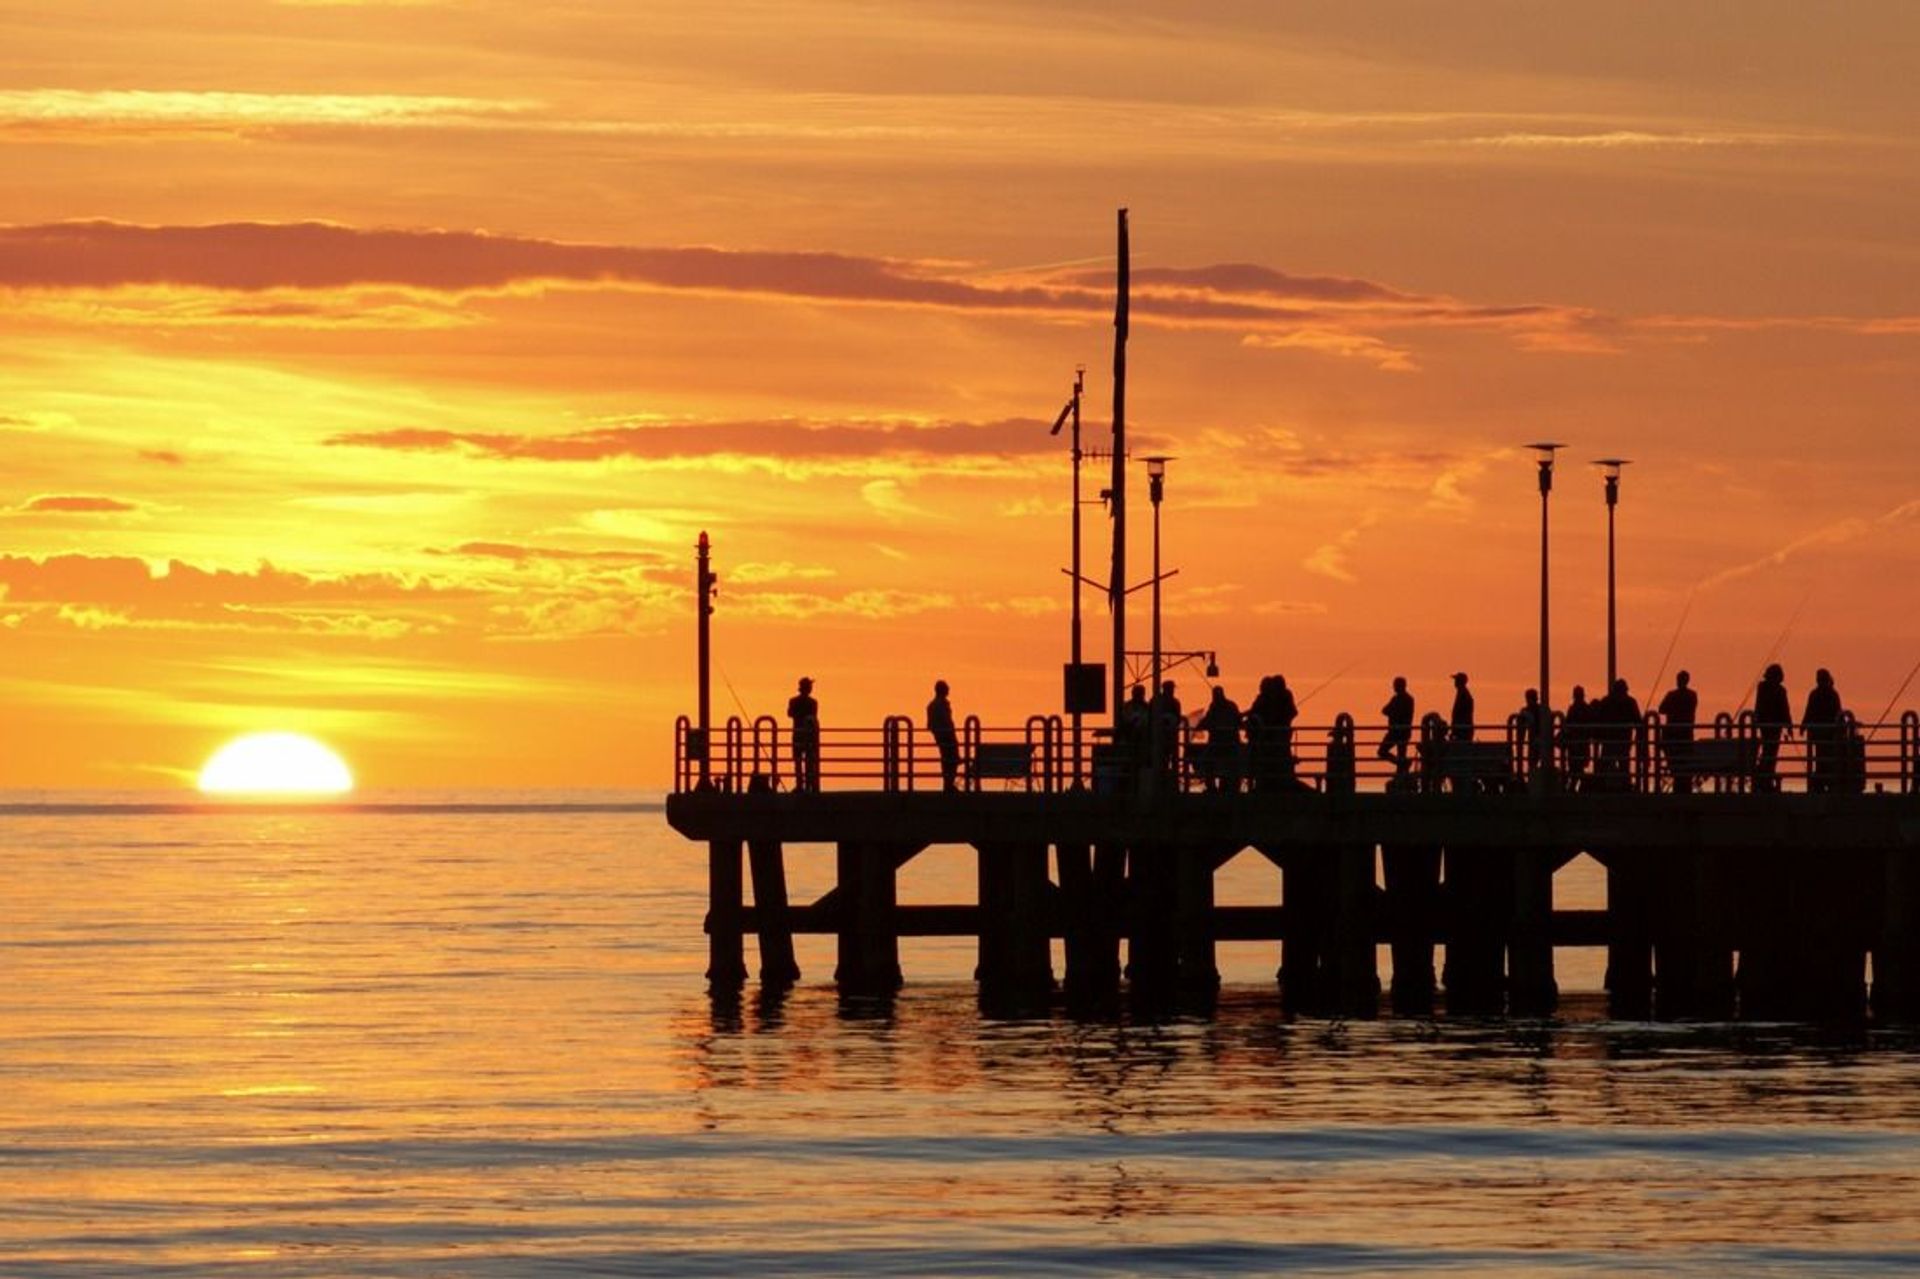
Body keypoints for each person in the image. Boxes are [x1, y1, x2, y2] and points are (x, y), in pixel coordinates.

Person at [1802, 667, 1843, 794]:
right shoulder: (1831, 694)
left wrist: (1804, 725)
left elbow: (1809, 712)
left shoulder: (1818, 694)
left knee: (1822, 758)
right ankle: (1824, 782)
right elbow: (1838, 713)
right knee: (1824, 758)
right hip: (1825, 733)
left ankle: (1822, 782)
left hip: (1823, 732)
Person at [1594, 678, 1641, 789]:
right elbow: (1637, 721)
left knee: (1605, 764)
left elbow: (1598, 719)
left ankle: (1601, 785)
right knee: (1624, 765)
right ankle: (1626, 785)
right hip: (1624, 740)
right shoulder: (1630, 702)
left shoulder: (1606, 701)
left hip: (1609, 739)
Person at [1657, 671, 1699, 793]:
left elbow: (1661, 709)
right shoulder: (1692, 695)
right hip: (1687, 734)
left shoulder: (1671, 695)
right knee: (1685, 762)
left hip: (1672, 735)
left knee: (1675, 762)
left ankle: (1678, 786)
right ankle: (1685, 787)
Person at [1197, 684, 1244, 793]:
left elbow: (1207, 721)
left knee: (1208, 761)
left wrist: (1199, 726)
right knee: (1226, 764)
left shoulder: (1215, 707)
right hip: (1230, 744)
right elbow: (1239, 722)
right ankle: (1226, 786)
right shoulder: (1231, 706)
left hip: (1220, 745)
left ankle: (1212, 787)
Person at [1754, 663, 1792, 793]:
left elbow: (1758, 707)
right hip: (1774, 726)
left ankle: (1763, 779)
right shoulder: (1780, 690)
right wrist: (1789, 726)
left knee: (1767, 752)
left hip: (1765, 725)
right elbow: (1785, 709)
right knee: (1771, 753)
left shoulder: (1762, 687)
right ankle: (1766, 779)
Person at [787, 676, 820, 792]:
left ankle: (800, 785)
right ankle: (809, 784)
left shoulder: (793, 701)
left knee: (798, 760)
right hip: (809, 735)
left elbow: (789, 714)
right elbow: (814, 717)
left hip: (797, 733)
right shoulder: (813, 703)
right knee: (809, 760)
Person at [926, 679, 959, 792]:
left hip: (940, 736)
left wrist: (937, 733)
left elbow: (929, 725)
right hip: (947, 735)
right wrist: (949, 733)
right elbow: (947, 721)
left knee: (946, 760)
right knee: (952, 759)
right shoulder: (942, 704)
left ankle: (947, 784)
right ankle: (949, 784)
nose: (948, 690)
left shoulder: (931, 705)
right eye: (946, 688)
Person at [1378, 676, 1415, 777]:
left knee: (1382, 751)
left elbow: (1387, 711)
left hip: (1396, 732)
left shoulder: (1400, 699)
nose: (1393, 687)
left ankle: (1402, 768)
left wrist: (1393, 713)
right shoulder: (1407, 699)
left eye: (1395, 685)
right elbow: (1385, 710)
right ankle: (1402, 767)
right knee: (1401, 755)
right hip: (1404, 732)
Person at [1149, 680, 1183, 787]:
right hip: (1163, 737)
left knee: (1169, 760)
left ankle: (1167, 782)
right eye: (1171, 688)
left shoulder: (1156, 701)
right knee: (1164, 759)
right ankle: (1166, 782)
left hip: (1167, 737)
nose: (1172, 691)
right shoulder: (1172, 702)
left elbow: (1177, 719)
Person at [1119, 683, 1150, 790]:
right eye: (1138, 694)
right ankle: (1129, 787)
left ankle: (1136, 787)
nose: (1139, 696)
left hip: (1142, 744)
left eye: (1140, 694)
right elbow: (1125, 722)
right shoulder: (1127, 707)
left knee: (1139, 766)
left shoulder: (1147, 707)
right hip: (1129, 742)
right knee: (1129, 766)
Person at [1561, 685, 1593, 790]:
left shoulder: (1573, 709)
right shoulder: (1587, 709)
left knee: (1575, 767)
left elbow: (1567, 724)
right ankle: (1577, 785)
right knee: (1577, 767)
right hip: (1581, 743)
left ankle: (1573, 786)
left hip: (1575, 743)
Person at [1514, 688, 1544, 775]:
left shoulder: (1534, 710)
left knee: (1533, 763)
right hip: (1535, 741)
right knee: (1533, 763)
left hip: (1536, 741)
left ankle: (1532, 780)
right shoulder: (1538, 710)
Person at [1450, 672, 1475, 742]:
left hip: (1463, 730)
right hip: (1461, 729)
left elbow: (1460, 714)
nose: (1455, 682)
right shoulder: (1462, 693)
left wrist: (1456, 729)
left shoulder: (1464, 695)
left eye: (1456, 680)